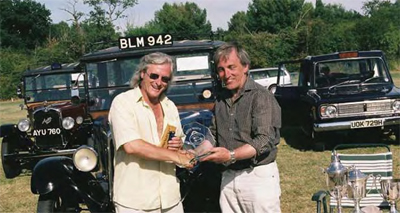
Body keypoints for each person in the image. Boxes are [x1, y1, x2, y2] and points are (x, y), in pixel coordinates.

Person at [201, 42, 282, 213]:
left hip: (257, 177)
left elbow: (264, 140)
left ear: (245, 67)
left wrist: (230, 155)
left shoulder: (261, 96)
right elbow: (212, 135)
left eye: (231, 67)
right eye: (221, 69)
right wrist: (194, 154)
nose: (226, 74)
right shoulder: (221, 99)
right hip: (228, 177)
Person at [109, 52, 194, 213]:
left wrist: (179, 145)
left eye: (165, 79)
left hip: (171, 199)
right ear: (142, 74)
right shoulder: (123, 103)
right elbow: (132, 146)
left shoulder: (170, 106)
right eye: (154, 76)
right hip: (135, 202)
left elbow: (179, 141)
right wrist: (177, 157)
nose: (158, 82)